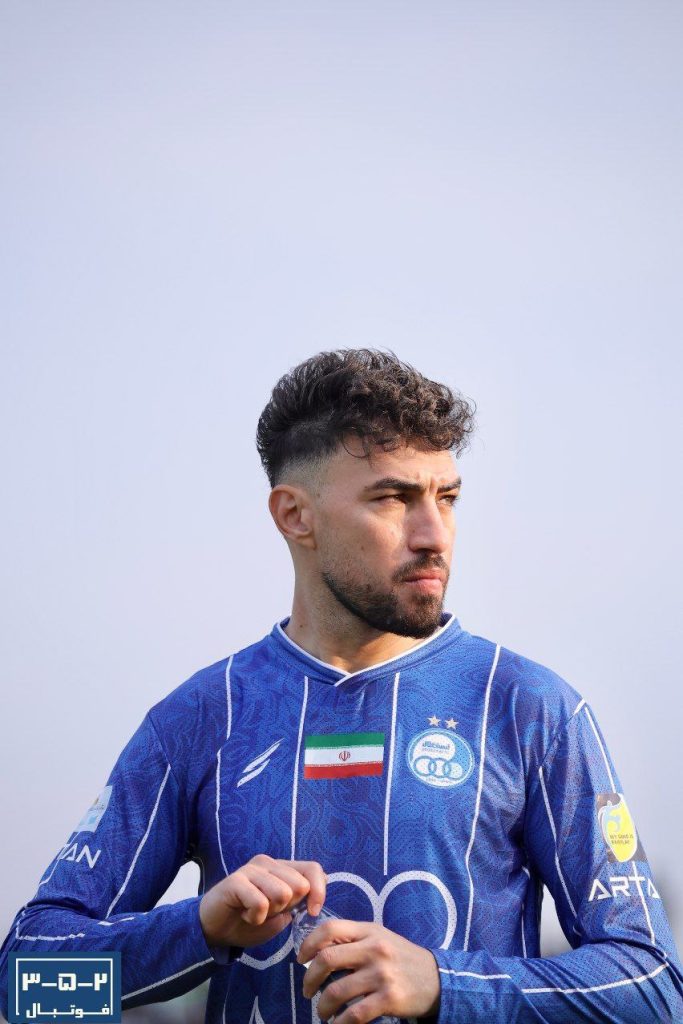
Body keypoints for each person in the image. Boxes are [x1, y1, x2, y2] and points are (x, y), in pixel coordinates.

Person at [1, 349, 681, 1024]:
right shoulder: (201, 718)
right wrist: (199, 929)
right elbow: (24, 990)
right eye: (393, 499)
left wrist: (444, 984)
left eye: (446, 498)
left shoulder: (530, 708)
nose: (434, 535)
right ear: (295, 516)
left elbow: (656, 991)